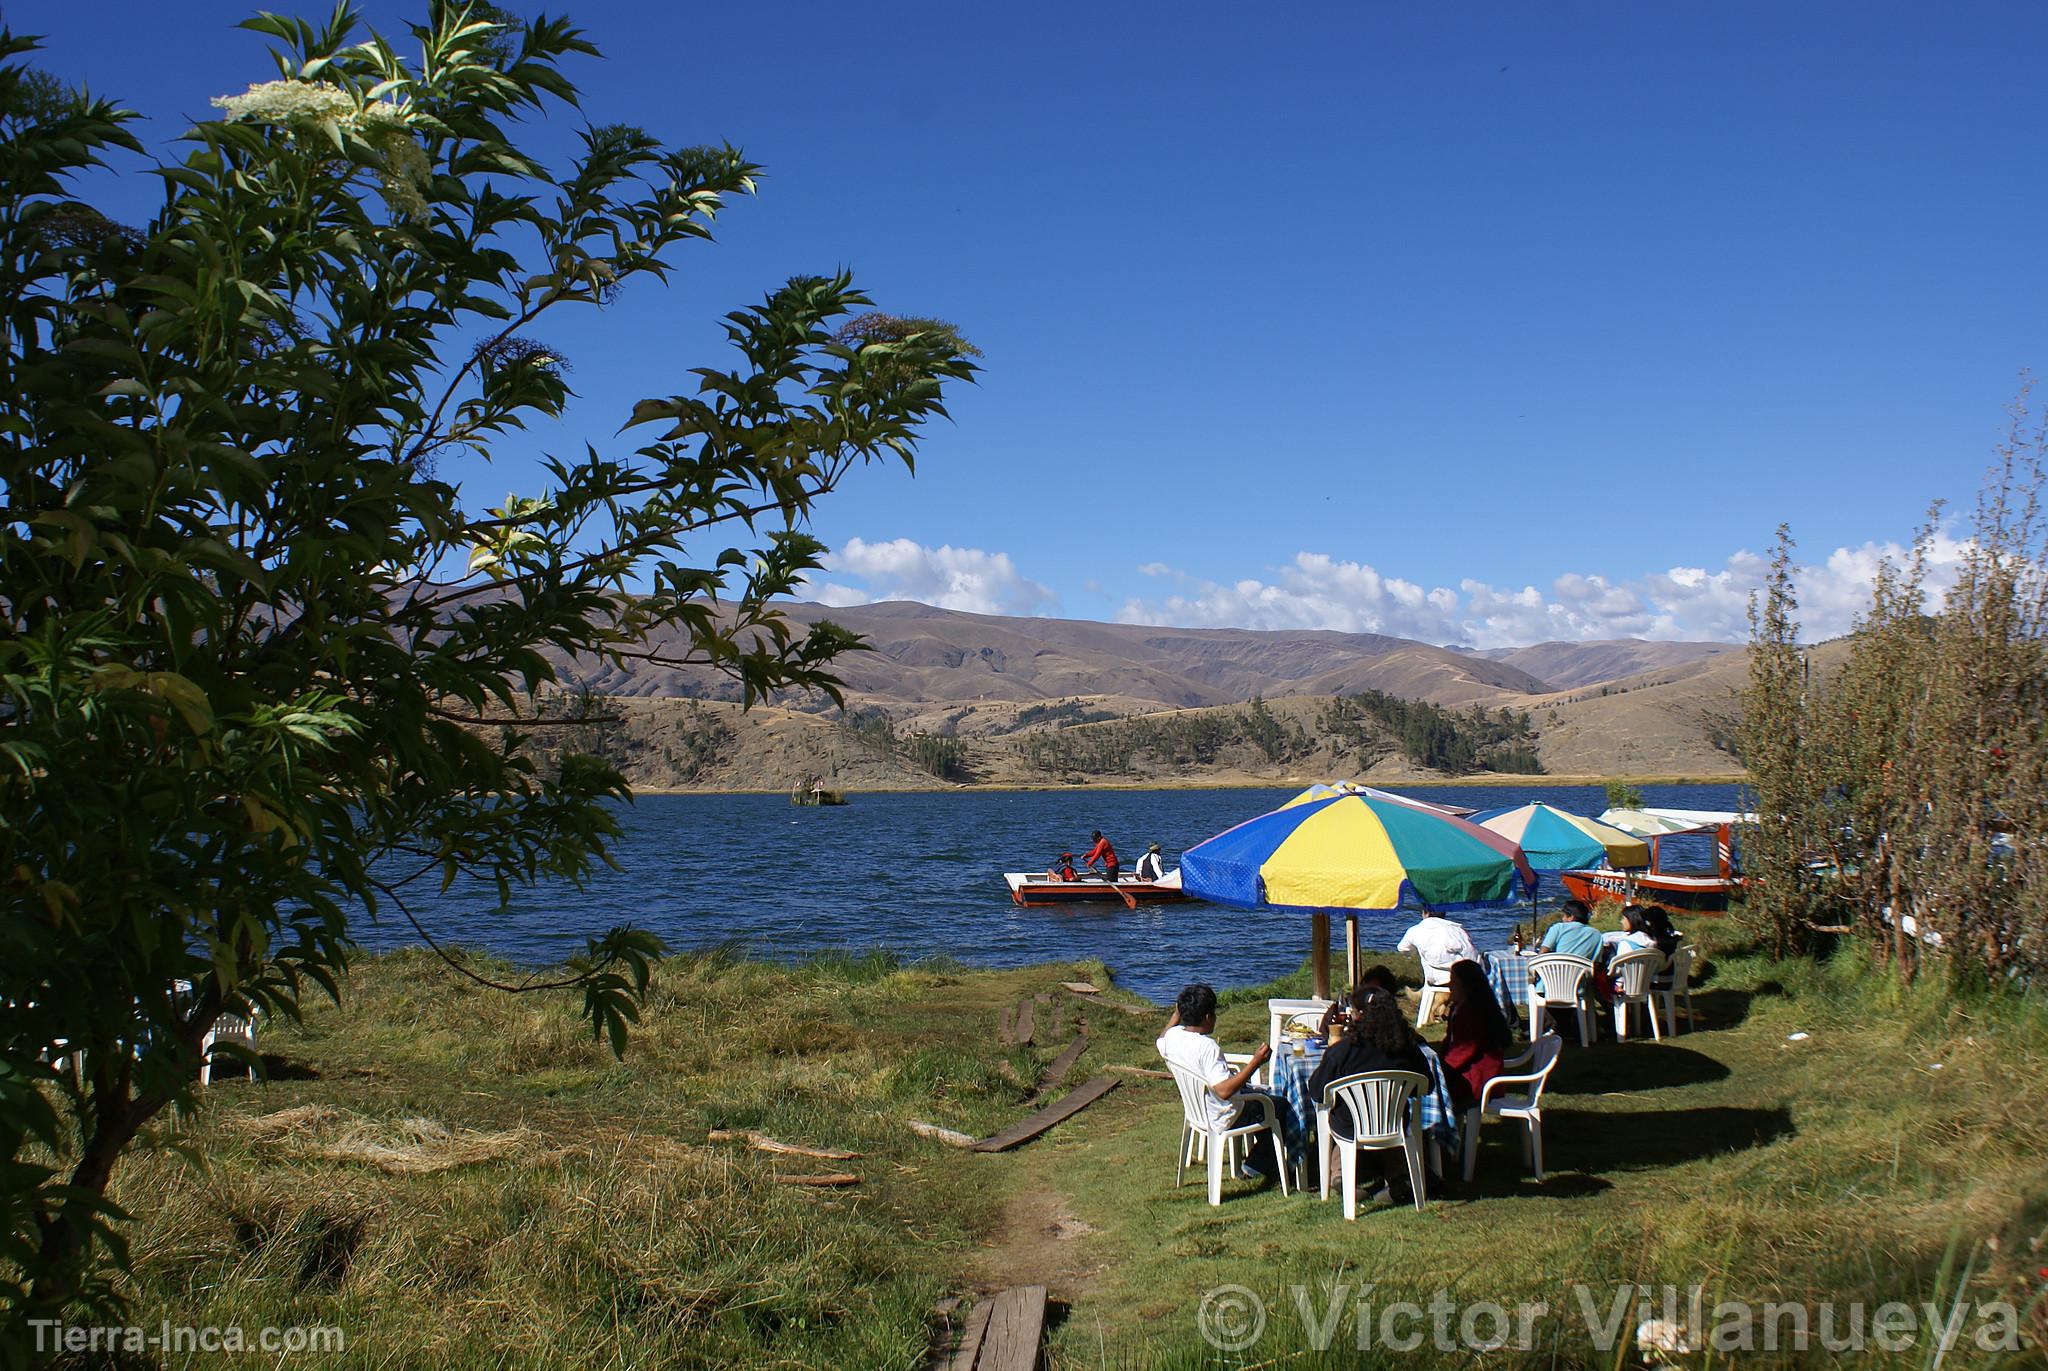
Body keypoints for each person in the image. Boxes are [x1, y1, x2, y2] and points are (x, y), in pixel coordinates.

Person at [1306, 987, 1430, 1199]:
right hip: (1394, 1121)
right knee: (1388, 1114)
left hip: (1351, 1125)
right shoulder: (1407, 1047)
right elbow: (1426, 1085)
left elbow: (1317, 1091)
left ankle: (1341, 1176)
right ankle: (1398, 1178)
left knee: (1336, 1113)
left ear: (1360, 1015)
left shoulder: (1344, 1050)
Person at [1156, 984, 1277, 1176]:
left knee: (1265, 1101)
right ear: (1207, 1017)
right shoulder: (1207, 1047)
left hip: (1199, 1110)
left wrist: (1175, 1016)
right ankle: (1258, 1165)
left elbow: (1160, 1040)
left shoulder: (1173, 1036)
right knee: (1280, 1106)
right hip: (1224, 1114)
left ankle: (1265, 1158)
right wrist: (1256, 1062)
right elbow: (1224, 1091)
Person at [1440, 959, 1512, 1115]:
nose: (1450, 985)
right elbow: (1451, 1044)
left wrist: (1442, 1069)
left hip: (1477, 1078)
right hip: (1465, 1071)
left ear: (1465, 985)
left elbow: (1465, 1050)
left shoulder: (1473, 1012)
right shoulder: (1458, 1008)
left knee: (1430, 1090)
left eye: (1454, 981)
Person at [1397, 909, 1481, 988]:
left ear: (1425, 913)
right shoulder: (1456, 930)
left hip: (1433, 979)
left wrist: (1414, 952)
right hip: (1460, 979)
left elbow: (1402, 948)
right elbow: (1472, 956)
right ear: (1444, 914)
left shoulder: (1414, 930)